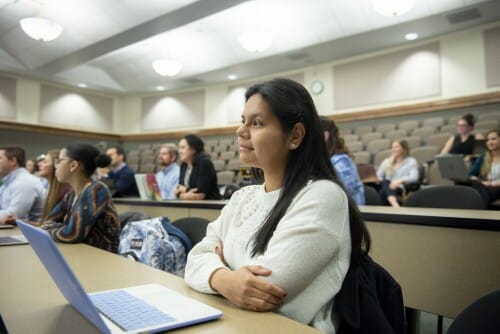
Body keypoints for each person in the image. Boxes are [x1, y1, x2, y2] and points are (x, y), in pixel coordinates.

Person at [184, 78, 371, 333]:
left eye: (257, 123)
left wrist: (218, 265)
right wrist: (225, 278)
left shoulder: (322, 196)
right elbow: (194, 258)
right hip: (230, 323)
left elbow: (267, 289)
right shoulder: (242, 197)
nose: (241, 131)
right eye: (243, 121)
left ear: (295, 136)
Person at [40, 143, 120, 253]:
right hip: (81, 253)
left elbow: (71, 235)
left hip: (102, 259)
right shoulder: (71, 194)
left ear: (73, 165)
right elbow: (47, 222)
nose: (56, 166)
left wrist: (53, 228)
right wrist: (59, 227)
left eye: (59, 161)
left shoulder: (96, 191)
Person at [320, 116, 365, 205]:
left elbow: (345, 191)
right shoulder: (322, 159)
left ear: (325, 135)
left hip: (348, 211)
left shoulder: (341, 160)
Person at [0, 147, 45, 224]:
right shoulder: (6, 184)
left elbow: (12, 216)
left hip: (28, 234)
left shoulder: (25, 182)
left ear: (12, 161)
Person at [174, 134, 221, 200]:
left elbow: (200, 194)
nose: (179, 151)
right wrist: (183, 194)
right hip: (189, 204)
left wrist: (183, 191)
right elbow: (179, 189)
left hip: (208, 205)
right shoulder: (184, 165)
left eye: (183, 147)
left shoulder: (204, 163)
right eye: (179, 148)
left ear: (193, 149)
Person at [376, 140, 419, 207]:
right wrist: (384, 182)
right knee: (385, 181)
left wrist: (399, 181)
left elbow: (414, 177)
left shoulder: (411, 161)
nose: (393, 149)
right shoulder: (387, 161)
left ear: (403, 148)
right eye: (392, 147)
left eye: (396, 147)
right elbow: (378, 176)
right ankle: (394, 202)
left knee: (382, 193)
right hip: (386, 185)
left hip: (400, 187)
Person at [469, 129, 500, 207]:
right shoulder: (483, 157)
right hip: (486, 187)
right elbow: (470, 174)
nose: (490, 142)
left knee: (479, 192)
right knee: (478, 187)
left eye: (493, 139)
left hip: (498, 187)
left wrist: (493, 184)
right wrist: (478, 180)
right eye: (488, 140)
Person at [37, 150, 69, 220]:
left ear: (55, 166)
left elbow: (50, 226)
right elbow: (45, 225)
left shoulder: (65, 193)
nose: (39, 164)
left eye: (45, 162)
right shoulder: (50, 188)